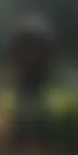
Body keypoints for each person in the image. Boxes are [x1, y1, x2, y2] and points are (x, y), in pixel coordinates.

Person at [6, 12, 56, 140]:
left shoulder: (22, 37)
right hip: (38, 73)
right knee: (39, 102)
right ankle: (43, 130)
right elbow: (49, 56)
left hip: (26, 73)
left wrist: (14, 69)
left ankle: (22, 132)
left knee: (23, 104)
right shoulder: (43, 37)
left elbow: (14, 54)